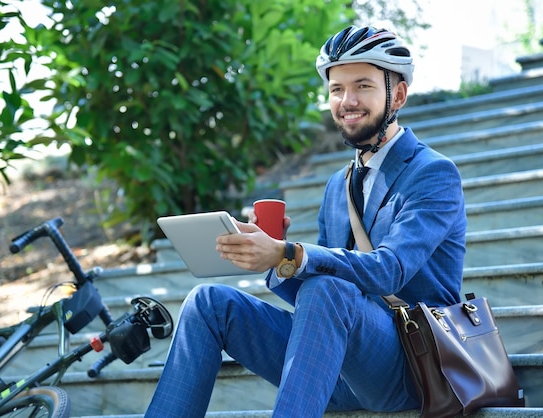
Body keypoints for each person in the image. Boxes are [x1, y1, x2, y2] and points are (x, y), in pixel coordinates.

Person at [144, 25, 466, 418]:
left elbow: (388, 272)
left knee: (329, 288)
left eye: (362, 86)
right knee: (208, 302)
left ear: (396, 95)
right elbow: (316, 293)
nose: (347, 100)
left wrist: (291, 252)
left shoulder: (433, 173)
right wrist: (274, 255)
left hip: (411, 365)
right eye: (336, 89)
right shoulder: (338, 185)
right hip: (338, 368)